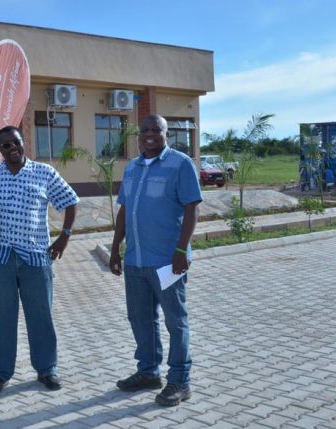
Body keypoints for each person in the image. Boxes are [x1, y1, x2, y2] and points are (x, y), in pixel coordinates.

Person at [0, 125, 79, 396]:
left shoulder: (44, 173)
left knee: (41, 316)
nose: (11, 148)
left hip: (36, 258)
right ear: (0, 150)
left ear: (23, 142)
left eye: (15, 142)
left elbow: (70, 201)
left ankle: (46, 369)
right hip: (0, 258)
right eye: (5, 145)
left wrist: (64, 236)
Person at [109, 114, 203, 407]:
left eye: (155, 129)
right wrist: (115, 248)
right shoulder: (133, 167)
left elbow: (192, 208)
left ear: (166, 134)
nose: (149, 134)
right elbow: (124, 210)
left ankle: (179, 381)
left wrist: (180, 250)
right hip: (136, 260)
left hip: (166, 261)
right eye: (144, 130)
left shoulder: (180, 164)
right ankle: (148, 372)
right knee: (140, 319)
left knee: (176, 322)